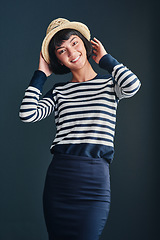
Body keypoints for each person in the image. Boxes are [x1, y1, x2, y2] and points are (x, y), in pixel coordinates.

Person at [19, 18, 141, 240]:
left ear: (85, 44)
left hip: (94, 179)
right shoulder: (59, 92)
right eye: (61, 51)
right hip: (60, 178)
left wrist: (106, 60)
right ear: (58, 61)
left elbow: (133, 85)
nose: (71, 52)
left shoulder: (110, 85)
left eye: (75, 43)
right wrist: (40, 74)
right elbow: (27, 114)